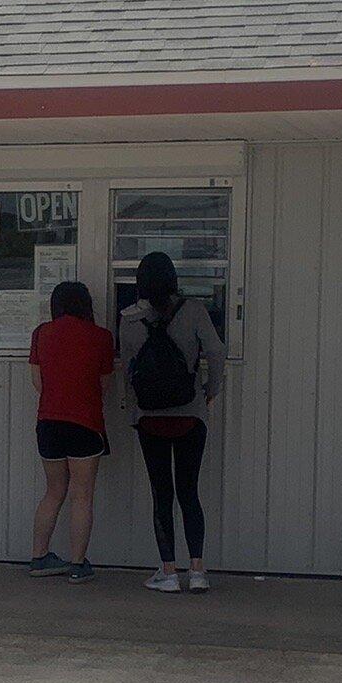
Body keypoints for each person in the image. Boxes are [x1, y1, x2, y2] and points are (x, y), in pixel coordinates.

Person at [118, 251, 227, 593]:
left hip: (150, 418)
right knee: (189, 492)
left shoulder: (130, 319)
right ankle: (197, 571)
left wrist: (133, 407)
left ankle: (168, 572)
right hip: (190, 413)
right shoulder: (193, 310)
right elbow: (216, 351)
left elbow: (128, 369)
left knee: (161, 494)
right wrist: (210, 389)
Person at [26, 280, 113, 580]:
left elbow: (38, 383)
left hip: (48, 423)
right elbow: (104, 386)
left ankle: (39, 557)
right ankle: (77, 565)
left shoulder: (41, 334)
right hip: (85, 423)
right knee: (82, 495)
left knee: (53, 491)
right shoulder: (101, 337)